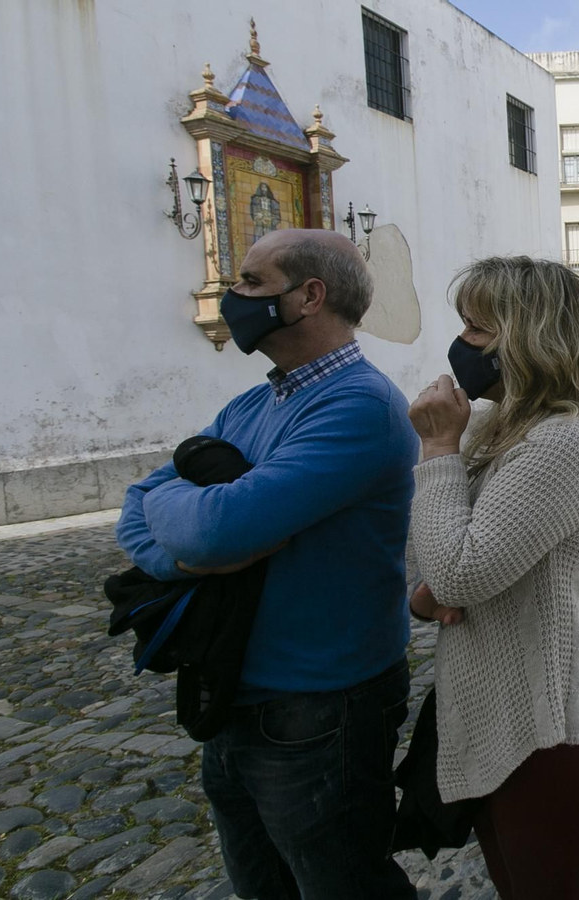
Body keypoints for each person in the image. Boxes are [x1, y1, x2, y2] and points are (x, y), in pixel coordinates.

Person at [115, 229, 418, 899]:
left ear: (310, 295)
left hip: (319, 705)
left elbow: (222, 528)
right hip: (236, 691)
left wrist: (206, 530)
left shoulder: (359, 406)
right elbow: (139, 506)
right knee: (262, 885)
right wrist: (193, 559)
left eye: (252, 281)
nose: (235, 296)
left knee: (344, 884)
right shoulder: (253, 403)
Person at [406, 256, 579, 898]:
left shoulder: (565, 440)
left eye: (477, 328)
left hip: (550, 721)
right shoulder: (499, 426)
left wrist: (438, 450)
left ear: (527, 338)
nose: (461, 345)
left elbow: (459, 569)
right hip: (498, 711)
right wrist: (429, 593)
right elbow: (439, 554)